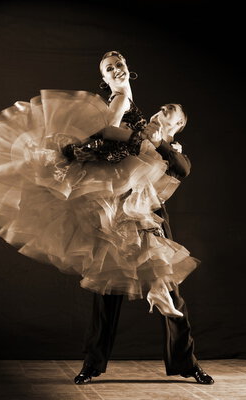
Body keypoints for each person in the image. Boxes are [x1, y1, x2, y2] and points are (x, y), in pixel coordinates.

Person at [72, 51, 213, 385]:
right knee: (108, 285)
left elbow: (183, 169)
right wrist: (87, 148)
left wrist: (159, 142)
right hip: (119, 209)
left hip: (148, 215)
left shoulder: (167, 143)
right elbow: (107, 138)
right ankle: (92, 364)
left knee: (167, 284)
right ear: (104, 78)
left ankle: (187, 362)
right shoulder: (127, 110)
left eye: (120, 65)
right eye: (110, 68)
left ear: (177, 126)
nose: (117, 70)